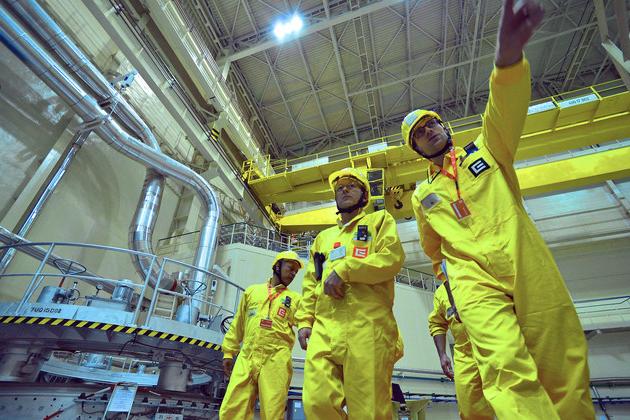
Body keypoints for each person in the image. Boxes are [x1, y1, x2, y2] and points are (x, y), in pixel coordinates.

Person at [402, 1, 595, 418]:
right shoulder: (423, 196)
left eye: (431, 123)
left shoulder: (487, 150)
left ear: (445, 127)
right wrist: (451, 294)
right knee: (504, 366)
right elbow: (435, 253)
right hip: (471, 278)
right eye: (418, 133)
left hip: (523, 257)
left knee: (560, 358)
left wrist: (507, 60)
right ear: (415, 149)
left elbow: (504, 109)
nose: (428, 131)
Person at [297, 167, 405, 419]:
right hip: (325, 328)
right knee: (316, 402)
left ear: (365, 195)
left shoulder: (379, 221)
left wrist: (346, 269)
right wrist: (304, 321)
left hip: (367, 327)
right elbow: (312, 281)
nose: (344, 189)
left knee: (369, 411)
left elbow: (391, 258)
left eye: (351, 185)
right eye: (340, 187)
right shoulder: (323, 238)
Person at [219, 250, 304, 420]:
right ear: (277, 266)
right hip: (247, 356)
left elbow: (305, 322)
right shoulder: (252, 292)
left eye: (296, 271)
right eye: (290, 268)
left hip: (276, 359)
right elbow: (238, 323)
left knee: (273, 411)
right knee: (233, 408)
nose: (293, 273)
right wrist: (229, 352)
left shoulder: (295, 300)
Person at [428, 284, 493, 420]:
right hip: (465, 357)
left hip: (495, 347)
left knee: (512, 402)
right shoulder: (441, 292)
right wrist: (442, 354)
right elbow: (437, 323)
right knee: (469, 410)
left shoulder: (482, 276)